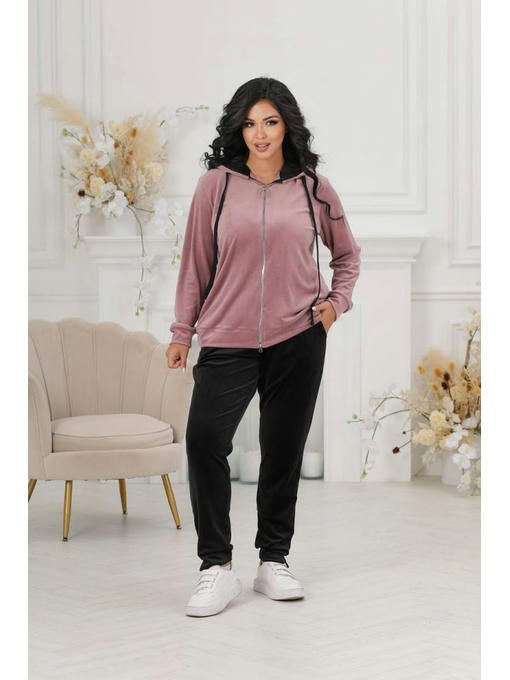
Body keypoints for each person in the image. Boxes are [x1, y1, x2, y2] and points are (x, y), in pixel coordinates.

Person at [166, 76, 362, 617]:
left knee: (283, 450)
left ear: (286, 126)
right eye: (250, 123)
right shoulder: (216, 186)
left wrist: (335, 305)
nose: (260, 133)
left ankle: (274, 560)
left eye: (270, 122)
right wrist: (183, 332)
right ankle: (216, 567)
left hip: (298, 336)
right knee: (205, 440)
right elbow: (195, 265)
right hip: (225, 337)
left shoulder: (314, 188)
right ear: (238, 128)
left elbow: (347, 256)